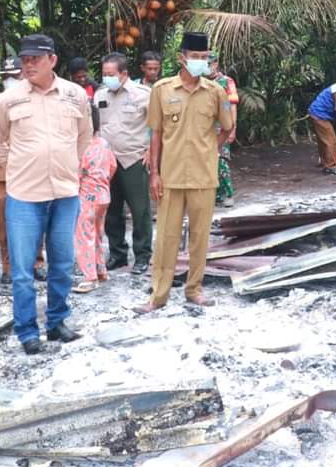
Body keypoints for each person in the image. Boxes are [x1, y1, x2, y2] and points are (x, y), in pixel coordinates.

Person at [0, 34, 93, 354]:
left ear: (52, 61)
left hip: (64, 192)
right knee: (22, 269)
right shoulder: (10, 99)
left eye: (35, 59)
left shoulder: (74, 95)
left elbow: (84, 135)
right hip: (24, 195)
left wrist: (70, 163)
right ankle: (28, 331)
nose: (27, 64)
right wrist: (15, 165)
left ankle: (57, 321)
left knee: (62, 263)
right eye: (24, 59)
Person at [135, 31, 233, 314]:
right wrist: (154, 173)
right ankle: (158, 295)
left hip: (204, 176)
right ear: (182, 58)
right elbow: (155, 134)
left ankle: (194, 289)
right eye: (195, 57)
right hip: (171, 176)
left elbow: (227, 128)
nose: (200, 62)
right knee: (166, 237)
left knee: (200, 236)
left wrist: (210, 151)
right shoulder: (162, 90)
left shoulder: (216, 92)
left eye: (204, 58)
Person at [0, 57, 44, 284]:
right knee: (5, 222)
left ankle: (36, 263)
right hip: (1, 174)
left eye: (14, 76)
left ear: (24, 75)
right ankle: (8, 266)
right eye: (5, 77)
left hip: (31, 172)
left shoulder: (37, 101)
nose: (10, 81)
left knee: (35, 219)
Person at [96, 52, 153, 275]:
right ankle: (118, 254)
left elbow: (158, 125)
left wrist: (151, 150)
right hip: (108, 162)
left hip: (134, 159)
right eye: (104, 74)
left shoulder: (143, 95)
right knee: (111, 211)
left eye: (111, 74)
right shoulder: (100, 95)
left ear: (124, 74)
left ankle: (142, 255)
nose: (107, 78)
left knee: (140, 211)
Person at [74, 104, 116, 292]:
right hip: (103, 194)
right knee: (98, 233)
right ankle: (101, 269)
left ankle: (89, 277)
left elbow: (76, 174)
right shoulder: (103, 143)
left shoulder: (81, 147)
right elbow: (113, 166)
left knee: (84, 236)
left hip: (86, 196)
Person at [207, 53, 239, 208]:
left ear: (216, 64)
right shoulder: (201, 82)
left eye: (209, 63)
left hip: (222, 127)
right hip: (205, 127)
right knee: (208, 161)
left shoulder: (226, 82)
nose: (207, 67)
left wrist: (233, 128)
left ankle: (228, 193)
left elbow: (231, 105)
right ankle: (217, 195)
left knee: (221, 159)